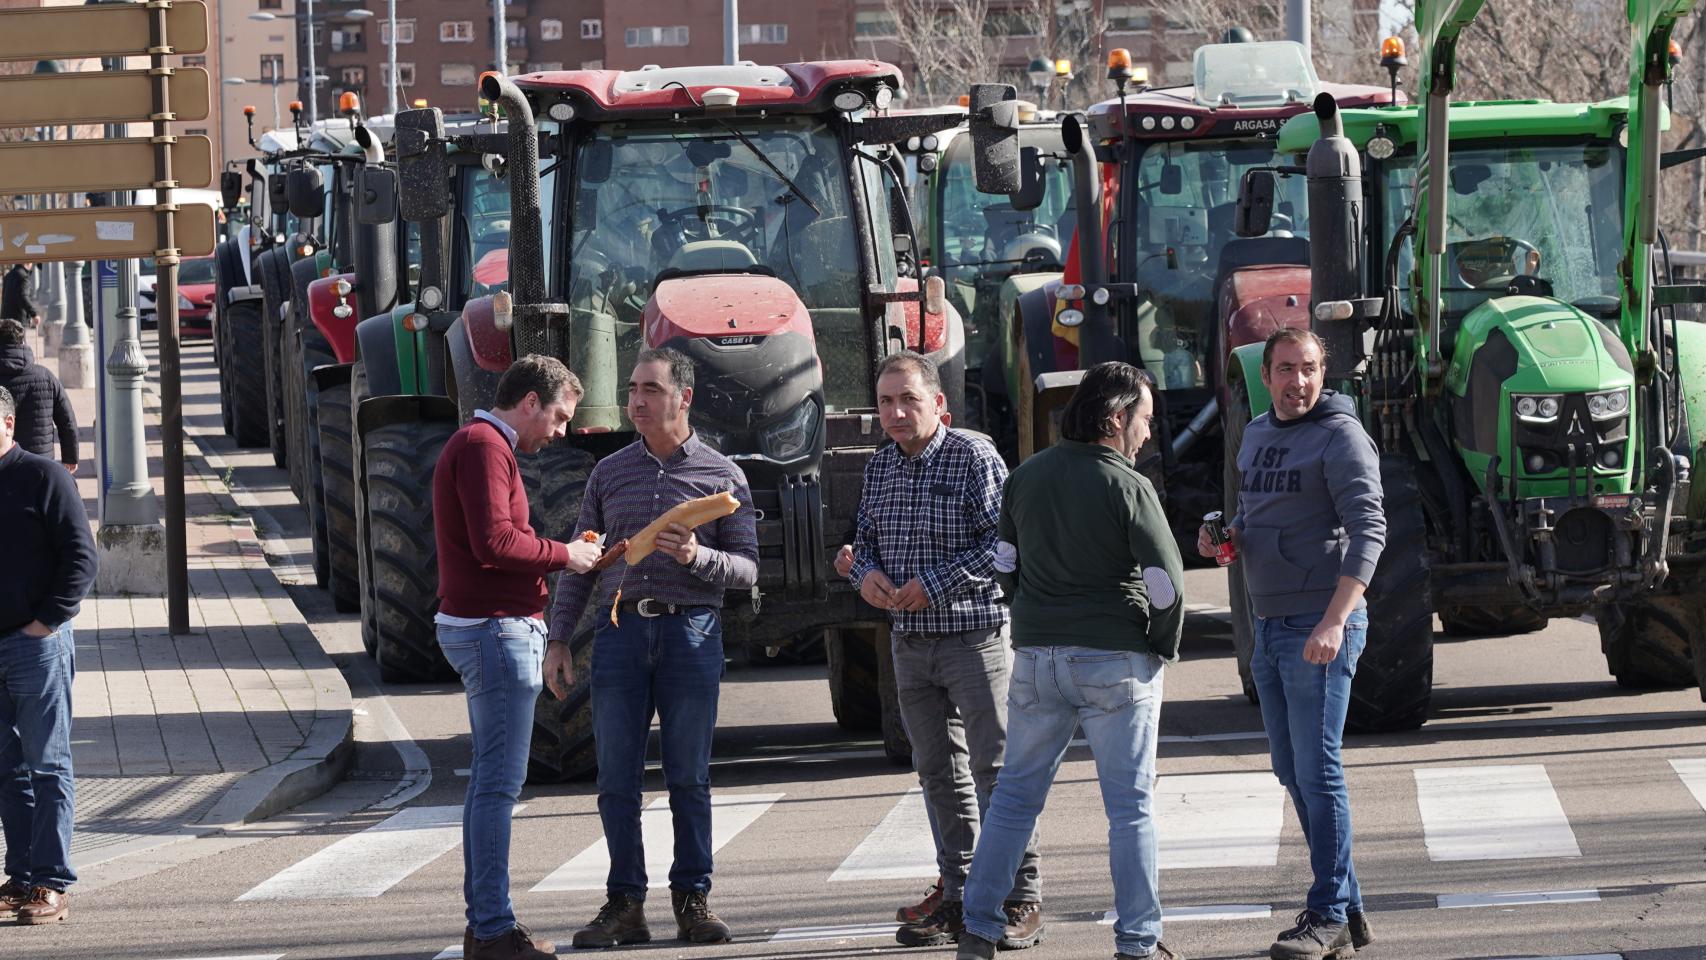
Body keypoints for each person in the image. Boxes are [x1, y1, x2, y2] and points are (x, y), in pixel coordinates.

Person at [957, 362, 1184, 960]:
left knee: (1012, 799)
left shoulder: (1026, 477)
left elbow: (1003, 563)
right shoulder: (1128, 485)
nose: (1145, 435)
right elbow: (1166, 583)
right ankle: (1138, 942)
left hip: (1035, 656)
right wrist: (1162, 640)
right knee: (1130, 810)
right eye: (1143, 422)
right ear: (1115, 419)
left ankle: (978, 926)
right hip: (1115, 659)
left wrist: (1027, 610)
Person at [547, 347, 758, 949]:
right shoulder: (608, 473)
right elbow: (582, 563)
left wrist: (698, 556)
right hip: (619, 636)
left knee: (688, 776)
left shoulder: (722, 475)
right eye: (633, 389)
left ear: (683, 398)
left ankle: (693, 900)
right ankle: (625, 904)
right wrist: (559, 638)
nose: (636, 400)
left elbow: (747, 569)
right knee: (615, 778)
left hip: (691, 633)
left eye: (650, 390)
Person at [847, 350, 1045, 949]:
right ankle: (961, 894)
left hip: (974, 636)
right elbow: (863, 542)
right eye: (886, 402)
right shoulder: (880, 465)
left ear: (939, 403)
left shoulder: (972, 456)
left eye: (909, 399)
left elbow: (1004, 545)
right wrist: (866, 578)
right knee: (937, 772)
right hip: (909, 644)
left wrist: (932, 585)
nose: (897, 412)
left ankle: (1021, 897)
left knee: (996, 771)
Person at [1196, 328, 1384, 960]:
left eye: (1308, 369)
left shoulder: (1341, 436)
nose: (1297, 382)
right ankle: (1348, 907)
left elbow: (1368, 533)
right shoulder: (1257, 434)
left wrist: (1335, 621)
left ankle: (1328, 912)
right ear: (1267, 376)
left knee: (1319, 770)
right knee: (1290, 770)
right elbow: (1255, 517)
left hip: (1319, 627)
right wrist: (1227, 538)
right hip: (1270, 627)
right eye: (1285, 370)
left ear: (1322, 372)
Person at [433, 355, 606, 960]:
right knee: (497, 790)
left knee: (490, 785)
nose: (560, 431)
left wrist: (561, 550)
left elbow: (495, 538)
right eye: (559, 416)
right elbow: (495, 542)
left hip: (487, 628)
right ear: (530, 401)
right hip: (494, 630)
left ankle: (487, 925)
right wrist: (567, 555)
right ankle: (492, 931)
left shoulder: (481, 443)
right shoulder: (485, 445)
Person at [0, 384, 97, 925]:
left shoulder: (44, 476)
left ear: (9, 425)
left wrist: (46, 622)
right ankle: (20, 876)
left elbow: (81, 558)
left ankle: (51, 882)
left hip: (34, 646)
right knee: (6, 770)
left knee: (47, 765)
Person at [0, 320, 78, 473]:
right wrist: (70, 456)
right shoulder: (45, 376)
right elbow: (66, 420)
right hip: (41, 465)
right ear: (22, 342)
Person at [0, 265, 39, 330]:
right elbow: (24, 296)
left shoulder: (8, 276)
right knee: (19, 340)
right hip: (19, 321)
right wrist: (34, 314)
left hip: (6, 320)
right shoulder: (24, 277)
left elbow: (4, 298)